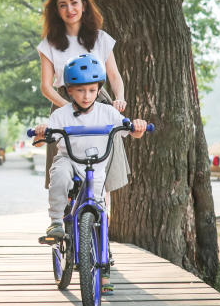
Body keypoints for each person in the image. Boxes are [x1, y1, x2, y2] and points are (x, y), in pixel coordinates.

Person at [34, 53, 148, 292]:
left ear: (99, 89)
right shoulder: (61, 114)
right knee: (60, 177)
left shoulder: (108, 113)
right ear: (69, 91)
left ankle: (103, 259)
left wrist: (138, 126)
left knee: (99, 211)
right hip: (69, 159)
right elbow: (43, 138)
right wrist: (41, 132)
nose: (86, 96)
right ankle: (56, 221)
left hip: (95, 167)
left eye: (91, 90)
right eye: (79, 91)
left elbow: (131, 131)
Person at [36, 0, 129, 193]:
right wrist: (69, 108)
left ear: (84, 5)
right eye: (63, 5)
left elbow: (114, 75)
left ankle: (101, 222)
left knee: (102, 175)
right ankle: (63, 220)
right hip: (64, 102)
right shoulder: (49, 44)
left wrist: (120, 97)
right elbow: (46, 86)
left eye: (74, 3)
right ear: (57, 11)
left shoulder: (100, 38)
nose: (70, 9)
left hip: (99, 102)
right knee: (65, 169)